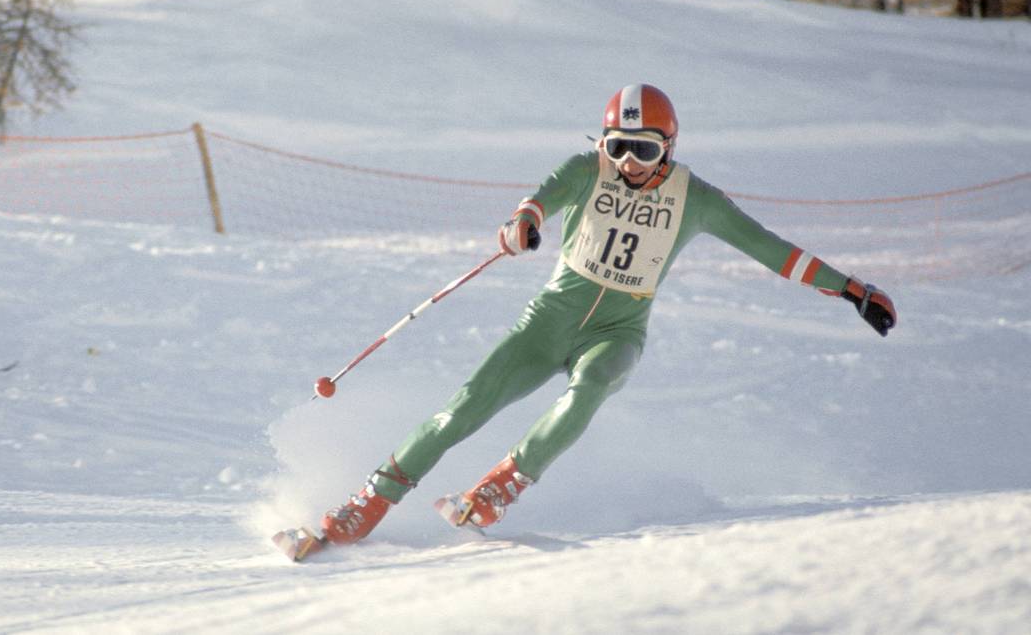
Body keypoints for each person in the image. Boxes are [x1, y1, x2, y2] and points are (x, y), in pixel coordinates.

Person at [317, 84, 896, 545]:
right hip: (548, 321)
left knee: (591, 384)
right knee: (464, 408)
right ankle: (368, 502)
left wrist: (850, 289)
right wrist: (522, 225)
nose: (627, 162)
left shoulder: (696, 199)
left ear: (669, 147)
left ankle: (502, 486)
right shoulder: (586, 169)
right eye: (616, 146)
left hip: (618, 330)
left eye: (643, 149)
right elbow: (535, 203)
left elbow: (772, 250)